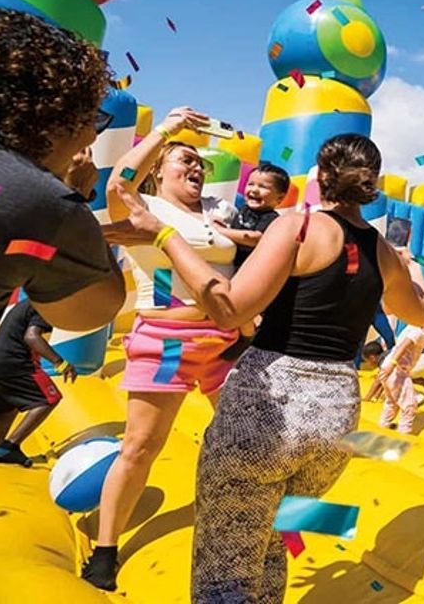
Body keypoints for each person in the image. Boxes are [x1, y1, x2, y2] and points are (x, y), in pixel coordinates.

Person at [103, 133, 424, 601]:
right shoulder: (382, 251)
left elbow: (229, 310)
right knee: (269, 543)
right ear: (371, 183)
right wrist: (421, 276)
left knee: (225, 571)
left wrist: (164, 237)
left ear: (320, 178)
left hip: (270, 406)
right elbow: (422, 315)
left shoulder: (297, 228)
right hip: (336, 420)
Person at [84, 106, 248, 589]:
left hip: (224, 344)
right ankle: (106, 549)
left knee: (244, 438)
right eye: (184, 161)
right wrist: (166, 131)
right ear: (159, 170)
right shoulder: (144, 210)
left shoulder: (214, 219)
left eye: (200, 163)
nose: (196, 168)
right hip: (170, 344)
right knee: (140, 447)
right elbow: (118, 184)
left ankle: (244, 523)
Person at [0, 8, 125, 331]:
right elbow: (93, 310)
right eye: (94, 118)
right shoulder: (38, 202)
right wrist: (76, 195)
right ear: (61, 111)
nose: (94, 134)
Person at [0, 301, 78, 466]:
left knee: (8, 404)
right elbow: (31, 336)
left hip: (1, 360)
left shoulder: (32, 301)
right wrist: (60, 363)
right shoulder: (48, 304)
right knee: (49, 399)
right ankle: (10, 446)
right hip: (15, 361)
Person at [218, 162, 290, 270]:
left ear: (279, 198)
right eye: (250, 184)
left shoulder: (271, 218)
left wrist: (221, 230)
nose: (254, 190)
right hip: (230, 262)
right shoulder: (244, 209)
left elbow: (255, 238)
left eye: (263, 187)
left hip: (249, 268)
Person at [369, 323, 424, 433]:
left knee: (391, 402)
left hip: (390, 367)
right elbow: (403, 345)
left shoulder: (412, 327)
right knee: (410, 405)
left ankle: (383, 426)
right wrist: (393, 364)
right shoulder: (417, 331)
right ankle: (404, 433)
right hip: (396, 370)